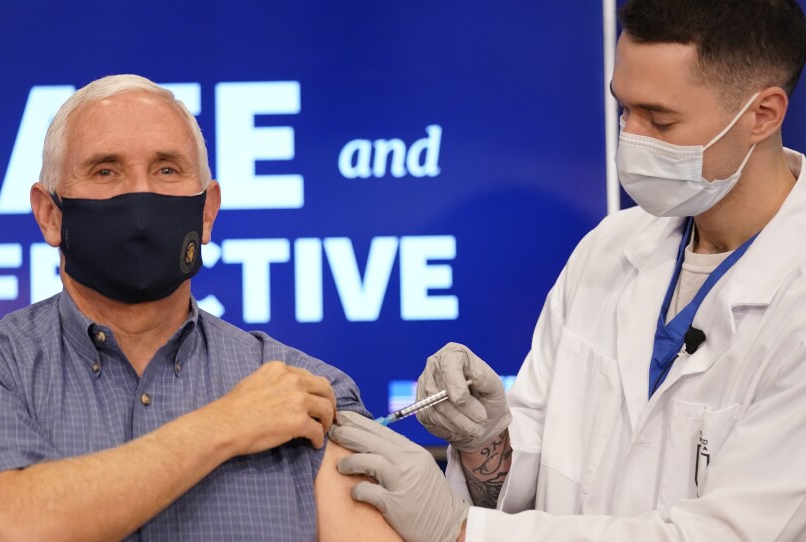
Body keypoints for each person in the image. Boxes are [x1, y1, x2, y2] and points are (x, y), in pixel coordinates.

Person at [329, 0, 806, 540]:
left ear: (763, 114)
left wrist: (461, 530)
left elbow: (725, 533)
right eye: (624, 109)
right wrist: (487, 442)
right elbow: (540, 471)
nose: (632, 138)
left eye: (660, 119)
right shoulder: (611, 247)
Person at [0, 74, 401, 541]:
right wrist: (227, 423)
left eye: (167, 170)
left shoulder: (305, 392)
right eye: (105, 170)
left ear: (207, 211)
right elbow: (7, 527)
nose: (141, 199)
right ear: (50, 214)